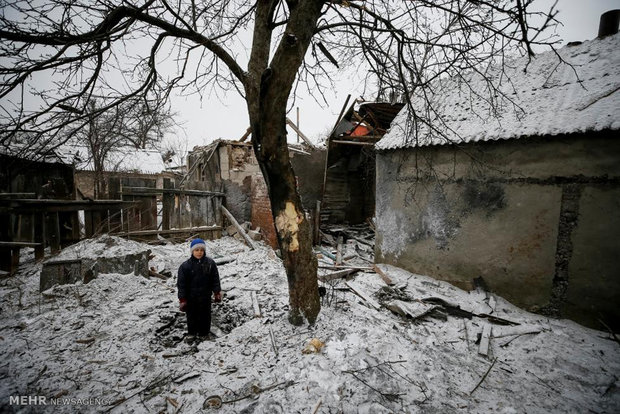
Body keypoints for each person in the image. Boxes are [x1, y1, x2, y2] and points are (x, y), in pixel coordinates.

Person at [177, 238, 222, 341]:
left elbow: (215, 279)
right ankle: (192, 333)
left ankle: (204, 333)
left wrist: (217, 292)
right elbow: (181, 284)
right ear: (192, 251)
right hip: (191, 297)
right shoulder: (185, 266)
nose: (199, 252)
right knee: (191, 315)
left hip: (205, 296)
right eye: (196, 250)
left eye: (201, 250)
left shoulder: (210, 263)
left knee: (205, 315)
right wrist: (182, 299)